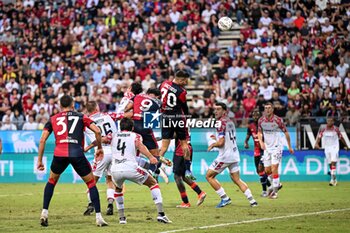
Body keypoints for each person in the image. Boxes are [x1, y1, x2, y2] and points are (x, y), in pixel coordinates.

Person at [36, 95, 108, 227]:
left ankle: (44, 213)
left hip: (59, 154)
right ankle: (98, 217)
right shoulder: (81, 116)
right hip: (77, 153)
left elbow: (42, 140)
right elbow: (98, 131)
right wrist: (99, 148)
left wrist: (40, 160)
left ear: (59, 105)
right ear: (73, 104)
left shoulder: (52, 119)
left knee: (52, 181)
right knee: (91, 183)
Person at [110, 118, 172, 224]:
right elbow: (140, 145)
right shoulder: (136, 136)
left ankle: (122, 219)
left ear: (120, 127)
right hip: (130, 167)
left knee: (118, 189)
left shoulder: (113, 135)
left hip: (115, 169)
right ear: (132, 128)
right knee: (153, 183)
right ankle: (161, 215)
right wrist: (151, 157)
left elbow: (103, 139)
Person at [206, 102, 258, 208]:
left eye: (219, 109)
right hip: (234, 154)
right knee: (236, 179)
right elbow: (227, 140)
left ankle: (225, 198)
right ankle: (252, 201)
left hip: (225, 156)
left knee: (209, 176)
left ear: (225, 111)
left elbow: (221, 143)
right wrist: (216, 140)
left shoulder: (220, 123)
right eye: (215, 109)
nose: (216, 111)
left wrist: (213, 144)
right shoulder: (230, 122)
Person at [83, 101, 118, 216]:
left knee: (92, 181)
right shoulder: (108, 116)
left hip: (101, 152)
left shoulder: (87, 122)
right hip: (114, 152)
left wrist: (88, 147)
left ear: (88, 110)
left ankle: (90, 204)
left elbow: (98, 139)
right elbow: (114, 135)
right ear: (97, 107)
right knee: (109, 179)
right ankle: (110, 205)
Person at [159, 70, 194, 180]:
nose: (185, 83)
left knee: (164, 147)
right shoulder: (181, 91)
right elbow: (184, 107)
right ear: (180, 79)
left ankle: (156, 169)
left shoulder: (164, 84)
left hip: (165, 117)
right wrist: (187, 117)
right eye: (185, 81)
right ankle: (188, 170)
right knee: (184, 144)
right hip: (177, 118)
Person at [257, 102, 294, 199]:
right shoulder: (261, 120)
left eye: (269, 108)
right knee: (267, 170)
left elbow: (286, 132)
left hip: (277, 147)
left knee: (274, 169)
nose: (267, 110)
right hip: (267, 148)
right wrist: (261, 142)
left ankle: (275, 192)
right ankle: (277, 184)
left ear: (272, 109)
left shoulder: (278, 120)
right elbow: (259, 132)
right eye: (266, 108)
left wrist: (289, 146)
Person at [173, 131, 206, 208]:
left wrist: (165, 135)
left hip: (181, 151)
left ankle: (186, 202)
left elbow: (174, 134)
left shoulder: (177, 121)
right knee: (184, 176)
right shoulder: (184, 121)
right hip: (188, 148)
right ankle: (200, 193)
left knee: (177, 176)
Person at [244, 109, 271, 197]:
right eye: (254, 115)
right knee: (259, 171)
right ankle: (271, 186)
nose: (255, 117)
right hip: (256, 151)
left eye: (257, 115)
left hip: (264, 150)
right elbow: (248, 136)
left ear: (260, 116)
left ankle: (264, 191)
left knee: (261, 169)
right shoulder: (250, 126)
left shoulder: (264, 125)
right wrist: (246, 142)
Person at [315, 117, 348, 186]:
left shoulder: (336, 129)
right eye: (328, 121)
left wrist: (347, 146)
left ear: (333, 122)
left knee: (333, 163)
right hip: (327, 148)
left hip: (334, 148)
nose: (329, 122)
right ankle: (335, 179)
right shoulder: (323, 129)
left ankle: (332, 180)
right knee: (330, 165)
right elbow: (319, 137)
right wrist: (317, 143)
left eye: (331, 121)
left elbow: (341, 138)